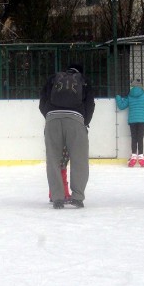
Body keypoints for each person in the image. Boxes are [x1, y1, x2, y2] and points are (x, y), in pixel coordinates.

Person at [40, 63, 95, 209]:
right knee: (79, 160)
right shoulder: (84, 80)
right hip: (76, 120)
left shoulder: (53, 79)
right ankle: (77, 197)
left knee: (53, 160)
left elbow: (42, 103)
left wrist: (49, 115)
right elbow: (90, 104)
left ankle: (57, 197)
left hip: (52, 119)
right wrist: (84, 121)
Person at [115, 79, 144, 167]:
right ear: (141, 86)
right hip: (142, 120)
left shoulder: (129, 95)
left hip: (132, 120)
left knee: (134, 138)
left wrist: (118, 97)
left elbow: (122, 106)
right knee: (140, 138)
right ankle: (141, 156)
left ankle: (133, 156)